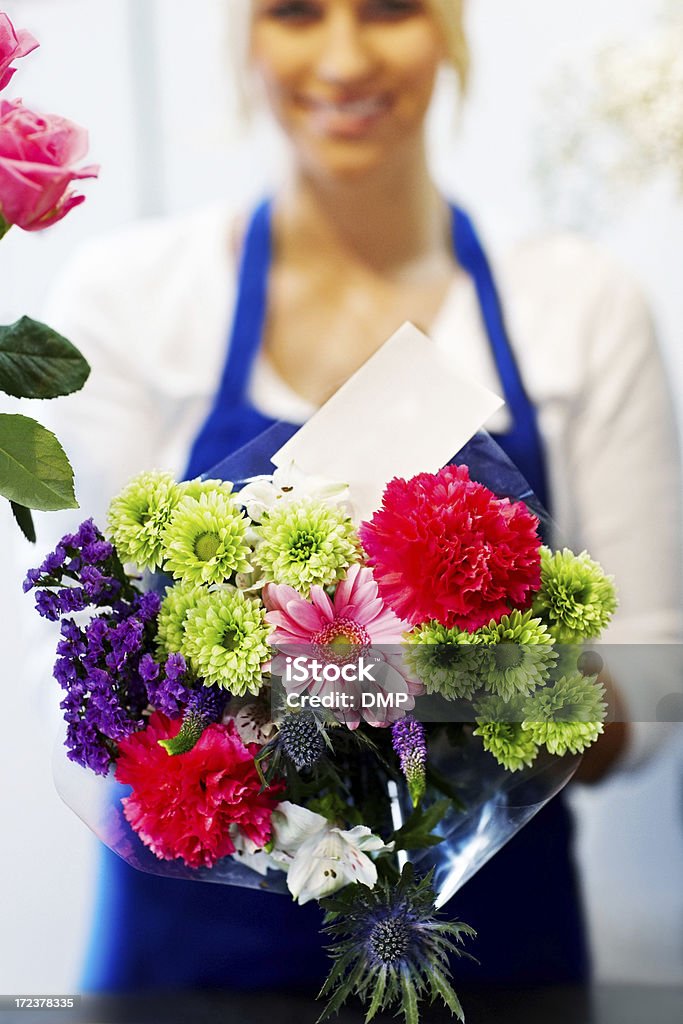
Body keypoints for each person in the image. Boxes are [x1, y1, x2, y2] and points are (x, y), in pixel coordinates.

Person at [35, 0, 681, 999]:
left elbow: (651, 685)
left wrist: (460, 676)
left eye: (389, 8)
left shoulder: (577, 303)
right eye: (294, 11)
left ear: (450, 32)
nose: (342, 56)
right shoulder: (127, 301)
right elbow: (75, 677)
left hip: (489, 968)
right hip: (191, 974)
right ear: (243, 39)